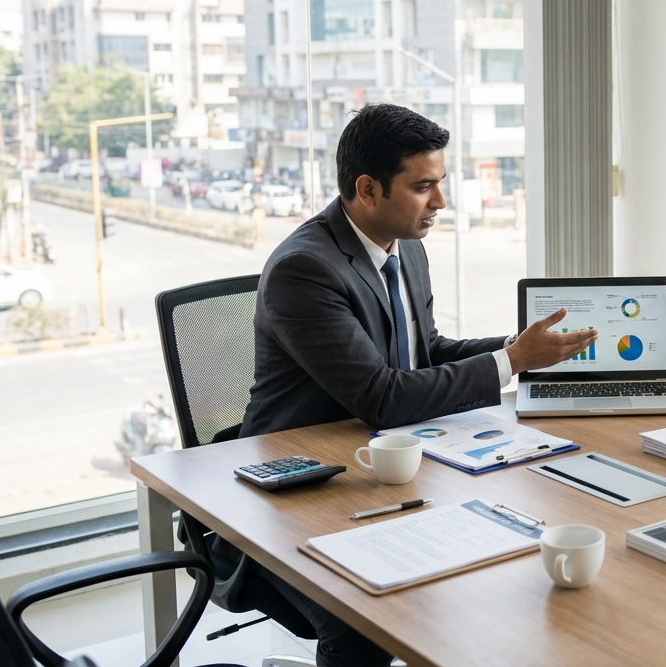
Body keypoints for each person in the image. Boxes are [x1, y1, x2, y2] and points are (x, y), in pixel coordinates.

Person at [237, 103, 596, 665]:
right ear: (367, 189)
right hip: (301, 489)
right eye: (423, 186)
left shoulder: (406, 248)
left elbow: (426, 353)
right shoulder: (304, 270)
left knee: (493, 563)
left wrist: (520, 351)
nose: (441, 202)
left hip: (388, 471)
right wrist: (511, 361)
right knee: (368, 625)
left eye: (440, 183)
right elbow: (383, 397)